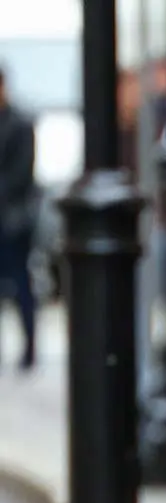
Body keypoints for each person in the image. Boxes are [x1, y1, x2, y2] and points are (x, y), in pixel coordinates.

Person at [0, 66, 38, 373]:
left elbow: (21, 175)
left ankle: (29, 348)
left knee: (21, 284)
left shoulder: (21, 124)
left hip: (13, 222)